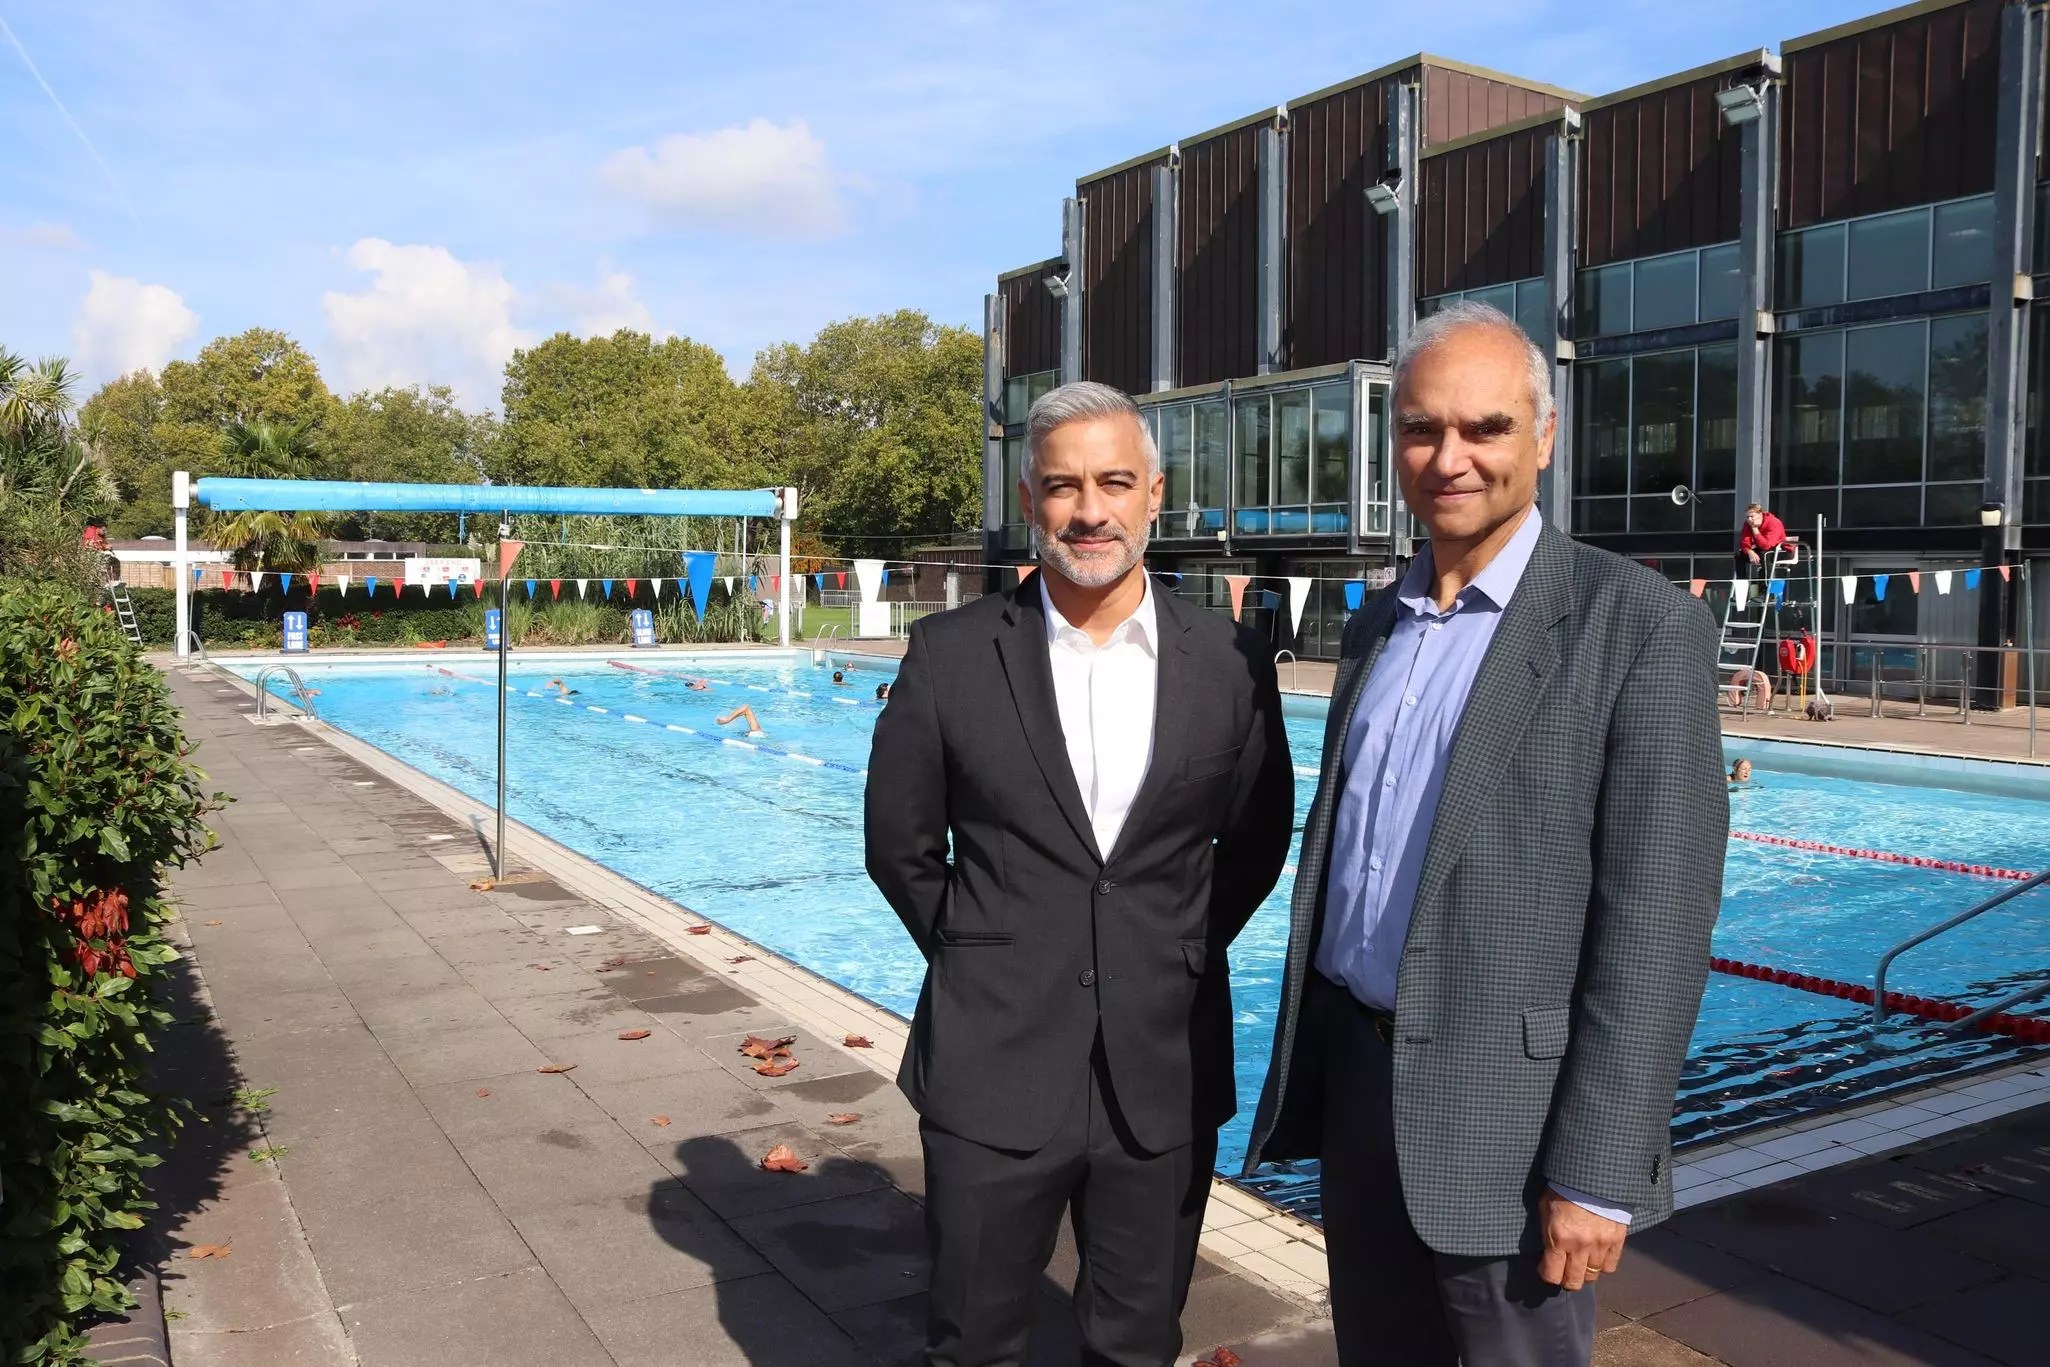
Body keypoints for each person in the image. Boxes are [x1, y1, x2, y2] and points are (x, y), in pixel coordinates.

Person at [1245, 301, 1727, 1367]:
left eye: (1484, 428)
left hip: (1512, 1122)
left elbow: (1656, 919)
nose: (1448, 457)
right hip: (1362, 1084)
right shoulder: (1379, 621)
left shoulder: (1635, 626)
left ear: (1542, 437)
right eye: (1421, 428)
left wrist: (1597, 1169)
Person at [866, 380, 1294, 1367]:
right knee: (972, 1338)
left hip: (1163, 1061)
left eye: (1112, 481)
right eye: (1063, 486)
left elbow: (1257, 840)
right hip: (993, 1058)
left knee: (1137, 1340)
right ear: (1032, 501)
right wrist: (989, 953)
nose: (1088, 509)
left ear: (1155, 493)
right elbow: (899, 844)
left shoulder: (1228, 657)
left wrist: (1173, 945)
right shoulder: (951, 654)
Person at [1737, 503, 1787, 578]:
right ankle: (1742, 584)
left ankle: (1767, 585)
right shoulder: (1748, 524)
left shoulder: (1773, 522)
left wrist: (1754, 528)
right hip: (1763, 549)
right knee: (1739, 555)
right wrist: (1750, 551)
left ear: (1760, 514)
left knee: (1765, 554)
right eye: (1747, 517)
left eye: (1752, 516)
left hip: (1782, 550)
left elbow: (1766, 546)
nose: (1749, 519)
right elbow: (1744, 541)